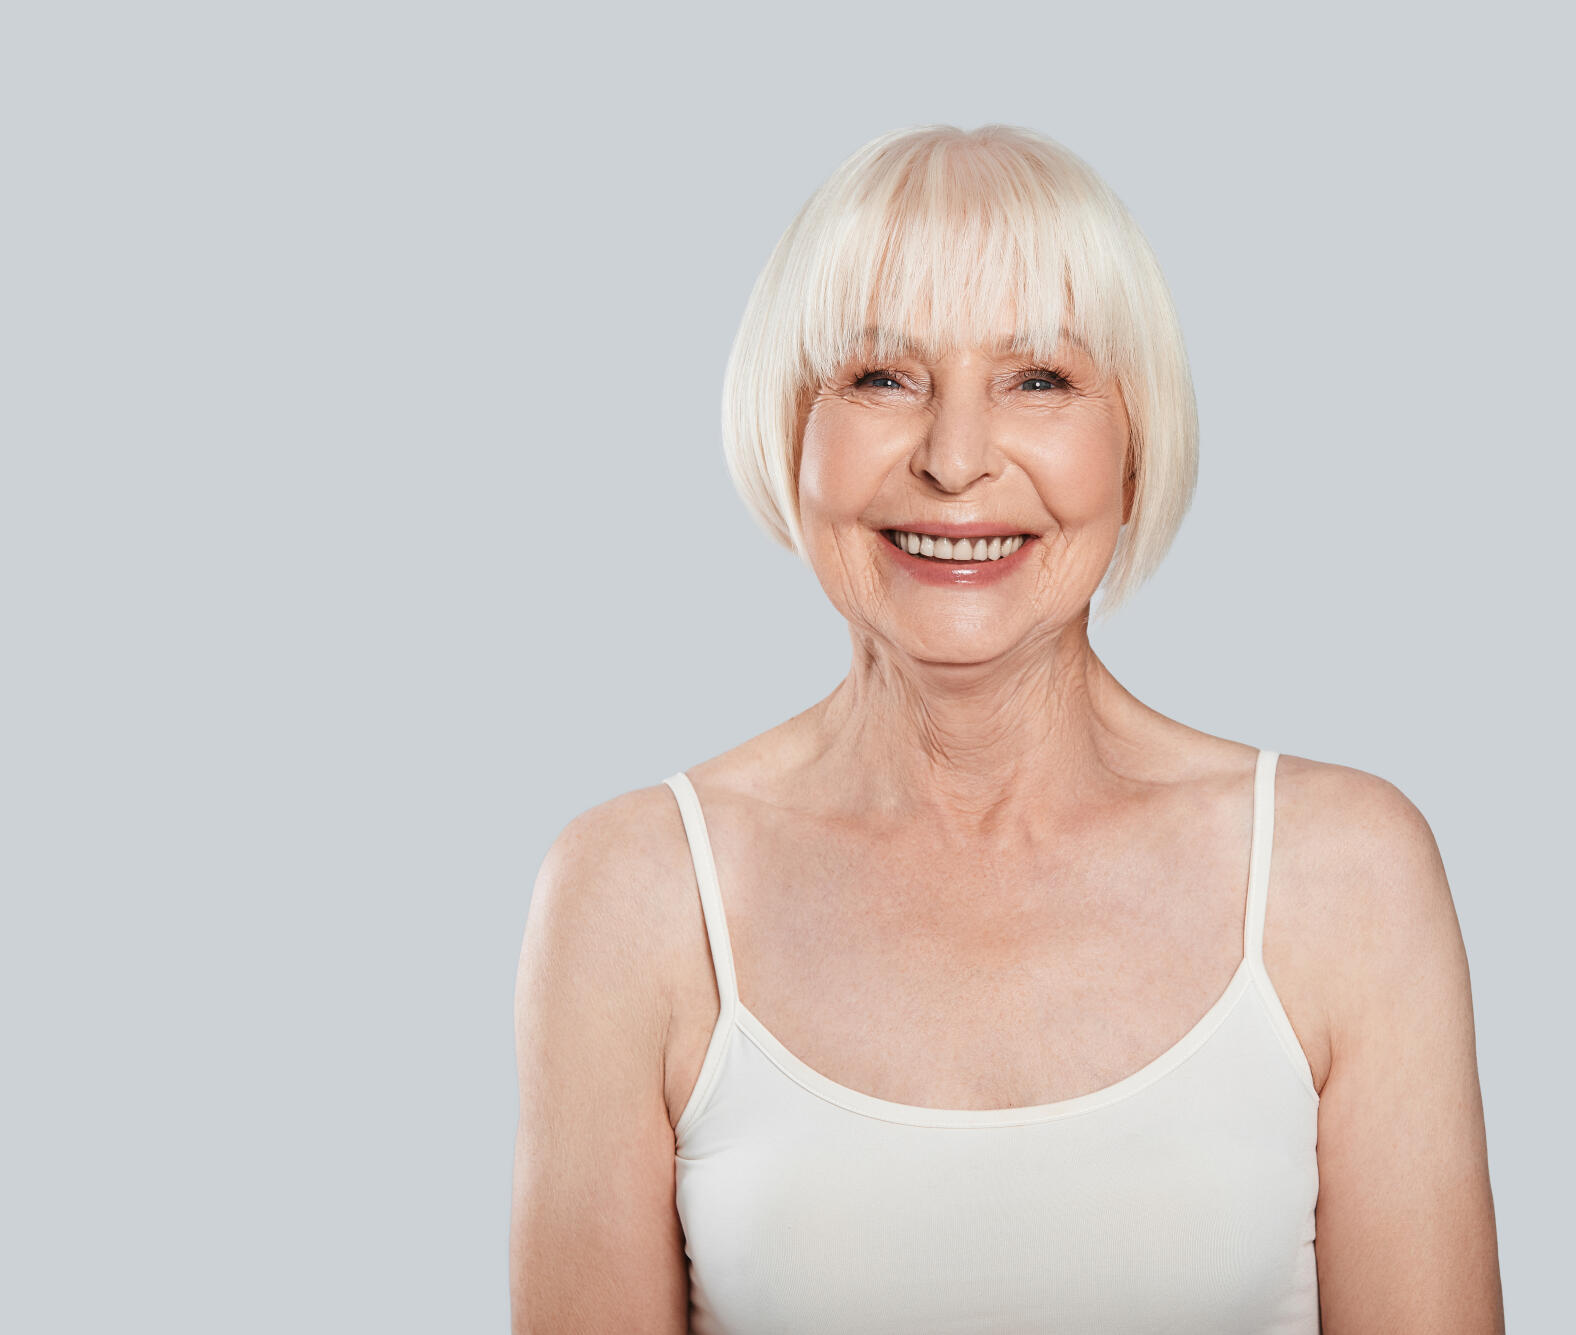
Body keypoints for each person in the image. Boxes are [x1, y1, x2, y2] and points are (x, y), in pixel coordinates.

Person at [510, 123, 1503, 1334]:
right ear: (790, 435)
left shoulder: (1341, 877)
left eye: (1039, 380)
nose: (956, 459)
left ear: (1133, 446)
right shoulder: (632, 895)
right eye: (882, 377)